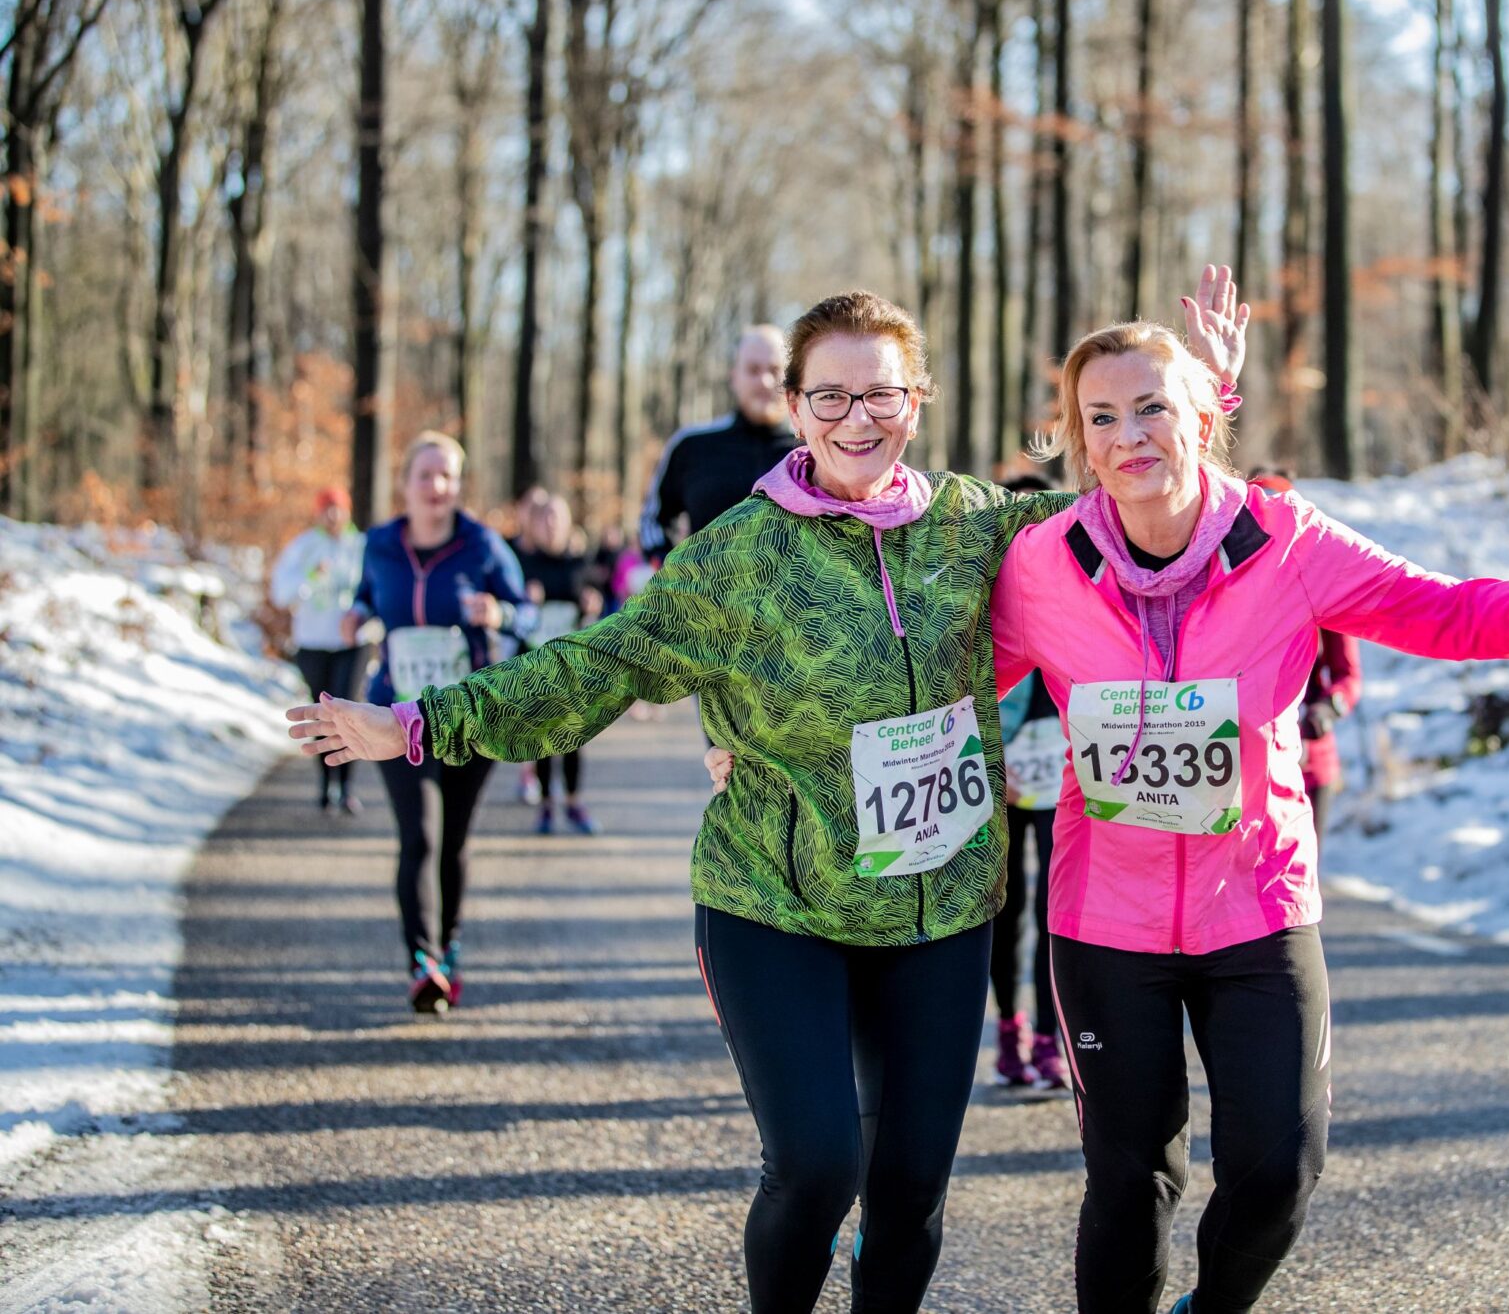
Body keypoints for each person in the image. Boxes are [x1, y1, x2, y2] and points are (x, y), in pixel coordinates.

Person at [287, 291, 1079, 1313]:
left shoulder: (976, 525)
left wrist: (1195, 403)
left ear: (916, 401)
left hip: (940, 905)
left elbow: (1132, 514)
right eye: (828, 394)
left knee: (911, 1187)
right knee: (816, 1165)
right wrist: (419, 723)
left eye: (879, 393)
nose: (854, 418)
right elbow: (596, 663)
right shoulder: (738, 555)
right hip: (774, 901)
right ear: (792, 406)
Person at [989, 320, 1509, 1314]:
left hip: (1257, 909)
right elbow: (943, 684)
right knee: (1129, 1182)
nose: (1126, 434)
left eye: (1150, 405)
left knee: (1278, 1171)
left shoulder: (1284, 540)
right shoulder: (1039, 564)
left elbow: (1443, 610)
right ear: (1075, 436)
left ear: (1200, 411)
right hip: (1105, 920)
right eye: (1098, 415)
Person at [341, 431, 529, 1015]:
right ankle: (422, 962)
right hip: (395, 714)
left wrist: (500, 613)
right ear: (405, 484)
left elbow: (527, 613)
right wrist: (356, 612)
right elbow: (369, 594)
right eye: (425, 475)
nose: (436, 486)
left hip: (470, 714)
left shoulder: (483, 546)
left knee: (453, 842)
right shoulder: (379, 544)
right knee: (419, 836)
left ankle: (447, 948)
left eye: (447, 475)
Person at [991, 473, 1068, 1090]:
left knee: (1055, 907)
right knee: (1006, 904)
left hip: (1065, 766)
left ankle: (1049, 1036)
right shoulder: (981, 589)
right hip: (999, 766)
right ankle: (1008, 1031)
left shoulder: (1074, 578)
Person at [1247, 470, 1361, 837]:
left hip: (1311, 762)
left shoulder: (1321, 588)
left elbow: (1349, 677)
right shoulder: (1230, 590)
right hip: (1245, 768)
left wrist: (1328, 709)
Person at [637, 324, 796, 562]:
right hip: (702, 597)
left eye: (775, 370)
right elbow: (653, 522)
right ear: (734, 376)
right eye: (753, 370)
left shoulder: (812, 452)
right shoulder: (691, 446)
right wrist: (671, 575)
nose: (764, 381)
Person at [269, 486, 366, 813]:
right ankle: (326, 784)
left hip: (352, 645)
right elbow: (281, 594)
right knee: (323, 714)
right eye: (328, 508)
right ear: (318, 512)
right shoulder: (304, 547)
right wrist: (310, 575)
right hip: (312, 645)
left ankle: (348, 787)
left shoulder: (361, 547)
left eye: (339, 508)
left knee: (348, 713)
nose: (334, 515)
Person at [513, 492, 604, 834]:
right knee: (541, 738)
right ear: (535, 524)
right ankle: (547, 808)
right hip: (536, 666)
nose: (551, 524)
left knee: (574, 736)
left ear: (568, 524)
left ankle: (574, 803)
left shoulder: (579, 564)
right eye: (545, 518)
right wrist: (526, 602)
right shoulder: (524, 564)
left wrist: (592, 607)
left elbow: (597, 615)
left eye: (557, 518)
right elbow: (512, 615)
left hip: (573, 668)